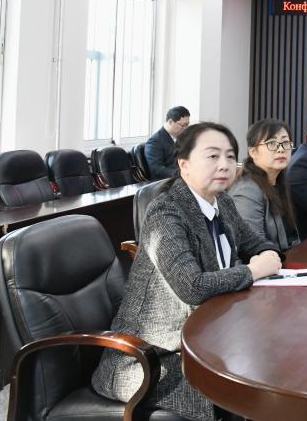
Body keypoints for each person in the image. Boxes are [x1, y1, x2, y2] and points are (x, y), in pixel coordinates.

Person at [92, 122, 282, 421]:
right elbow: (192, 286)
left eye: (230, 156)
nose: (224, 165)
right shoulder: (166, 212)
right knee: (246, 387)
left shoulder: (222, 202)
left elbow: (256, 243)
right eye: (212, 156)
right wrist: (253, 270)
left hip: (207, 337)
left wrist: (268, 253)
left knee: (273, 359)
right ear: (184, 164)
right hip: (151, 357)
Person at [230, 118, 300, 252]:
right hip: (264, 261)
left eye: (285, 143)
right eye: (271, 143)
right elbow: (252, 247)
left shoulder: (278, 182)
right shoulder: (247, 190)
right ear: (253, 152)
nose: (281, 149)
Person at [145, 105, 190, 179]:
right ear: (170, 122)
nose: (185, 129)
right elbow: (157, 169)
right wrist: (181, 173)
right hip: (169, 180)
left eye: (187, 125)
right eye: (183, 125)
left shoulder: (182, 137)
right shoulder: (155, 142)